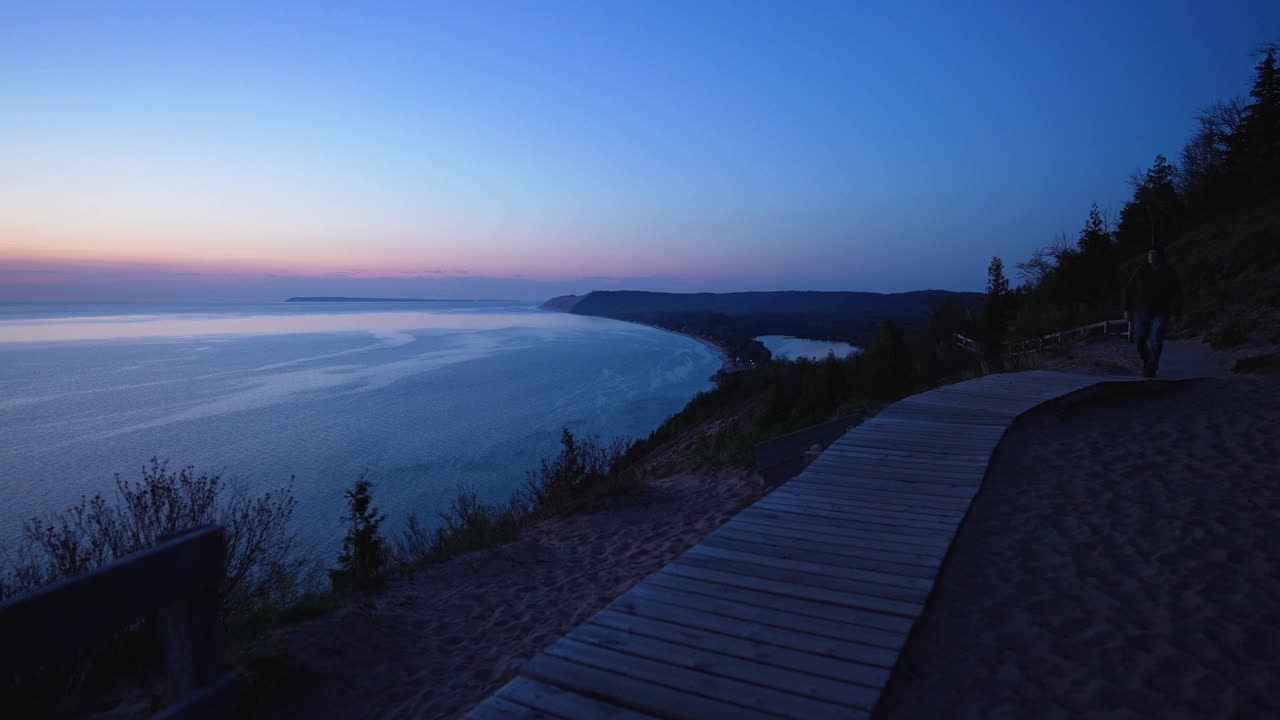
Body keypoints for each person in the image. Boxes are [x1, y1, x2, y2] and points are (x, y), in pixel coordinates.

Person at [1123, 247, 1183, 378]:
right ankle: (1147, 359)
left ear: (1161, 257)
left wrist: (1176, 312)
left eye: (1154, 255)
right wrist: (1127, 309)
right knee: (1139, 340)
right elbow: (1130, 289)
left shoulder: (1170, 273)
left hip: (1161, 312)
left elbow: (1178, 293)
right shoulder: (1141, 271)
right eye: (1150, 255)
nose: (1151, 258)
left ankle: (1151, 368)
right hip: (1141, 311)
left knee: (1156, 340)